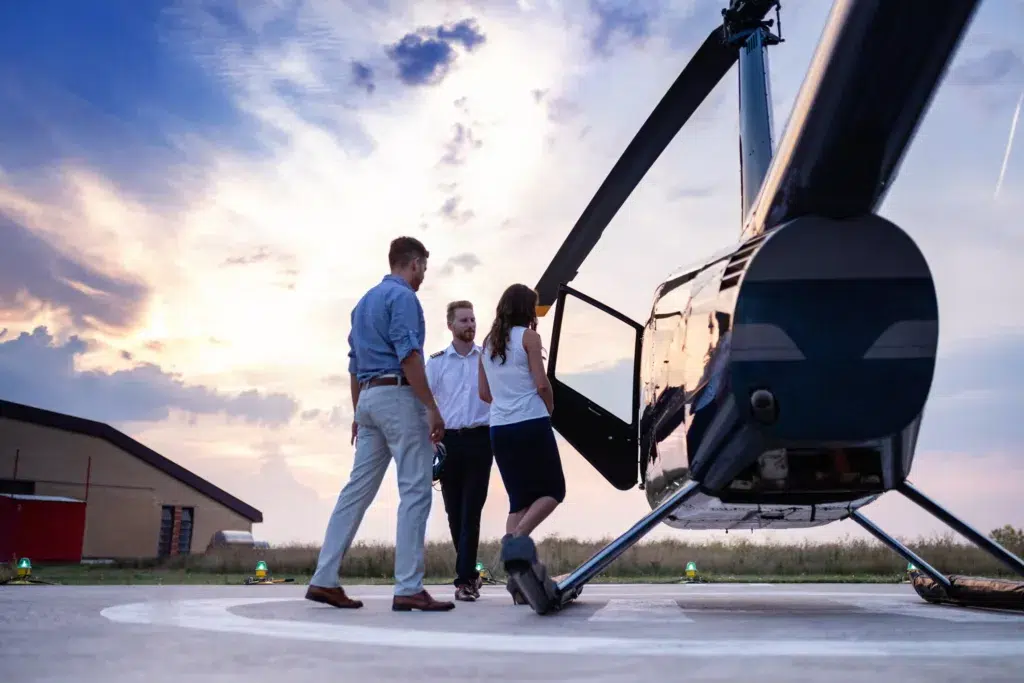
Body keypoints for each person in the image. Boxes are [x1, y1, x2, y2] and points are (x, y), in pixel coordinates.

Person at [305, 236, 455, 612]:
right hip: (399, 396)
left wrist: (358, 413)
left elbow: (354, 365)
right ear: (415, 263)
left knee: (356, 492)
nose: (423, 277)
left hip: (369, 399)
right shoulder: (403, 298)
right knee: (416, 490)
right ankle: (408, 586)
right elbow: (408, 355)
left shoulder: (362, 304)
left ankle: (324, 578)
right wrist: (431, 407)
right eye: (423, 268)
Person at [477, 283, 565, 603]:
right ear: (527, 309)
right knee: (554, 491)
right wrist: (549, 407)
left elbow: (484, 394)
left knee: (519, 502)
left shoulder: (486, 344)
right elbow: (541, 383)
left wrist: (505, 400)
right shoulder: (529, 338)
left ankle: (517, 580)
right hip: (531, 421)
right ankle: (515, 544)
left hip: (500, 428)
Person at [425, 300, 493, 602]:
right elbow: (424, 401)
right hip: (447, 442)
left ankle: (465, 580)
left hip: (481, 439)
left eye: (473, 320)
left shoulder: (488, 358)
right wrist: (429, 440)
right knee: (454, 513)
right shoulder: (437, 363)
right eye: (464, 320)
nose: (470, 325)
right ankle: (468, 574)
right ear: (450, 325)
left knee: (471, 513)